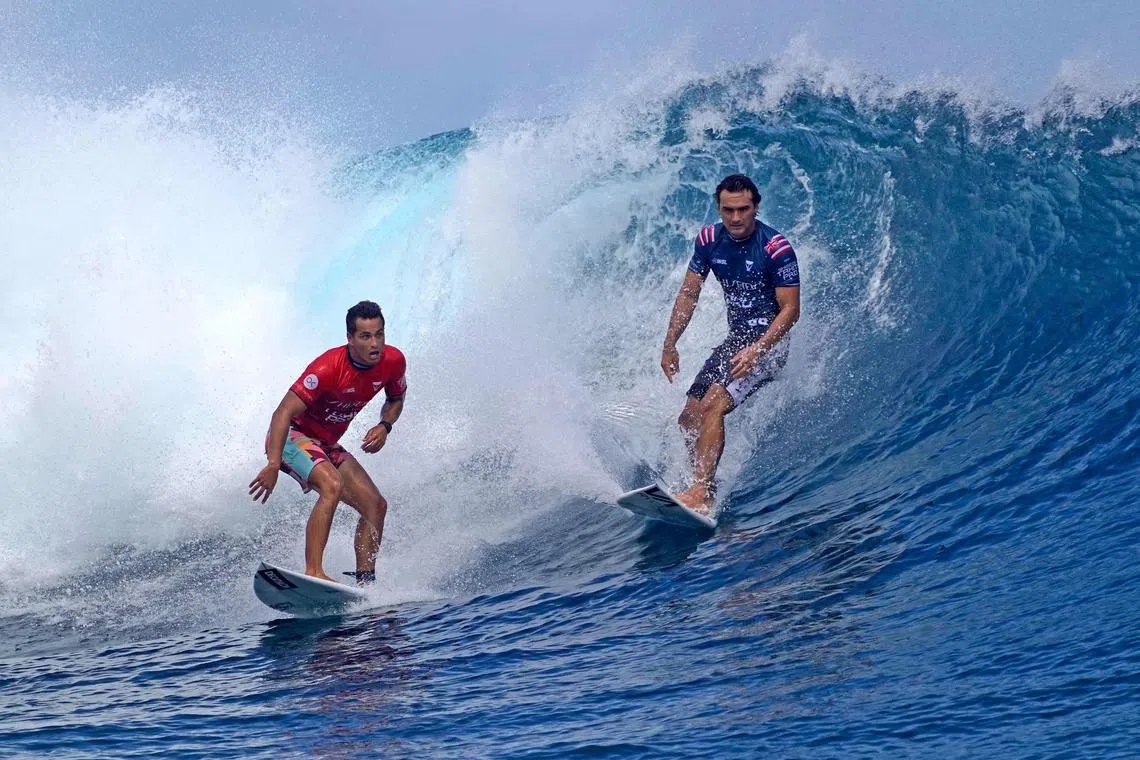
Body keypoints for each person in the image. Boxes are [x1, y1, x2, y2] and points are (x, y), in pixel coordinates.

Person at [660, 174, 801, 514]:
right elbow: (689, 292)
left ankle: (701, 491)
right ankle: (701, 484)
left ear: (756, 207)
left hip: (768, 346)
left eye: (743, 209)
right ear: (718, 208)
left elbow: (791, 311)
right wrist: (669, 344)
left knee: (713, 405)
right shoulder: (709, 240)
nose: (736, 218)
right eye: (728, 210)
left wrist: (760, 349)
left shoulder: (775, 248)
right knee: (689, 417)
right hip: (736, 341)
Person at [248, 301, 407, 583]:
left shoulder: (393, 362)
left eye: (379, 334)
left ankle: (365, 583)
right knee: (332, 485)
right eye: (366, 336)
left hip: (325, 443)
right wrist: (273, 464)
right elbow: (282, 413)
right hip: (291, 437)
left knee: (375, 505)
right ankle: (314, 572)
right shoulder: (327, 368)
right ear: (350, 338)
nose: (375, 344)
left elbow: (395, 399)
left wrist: (385, 425)